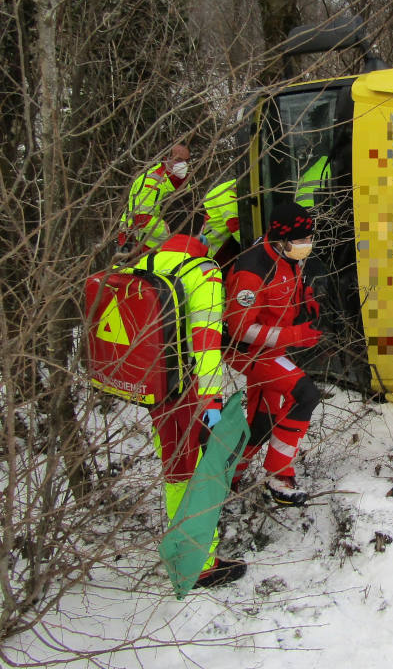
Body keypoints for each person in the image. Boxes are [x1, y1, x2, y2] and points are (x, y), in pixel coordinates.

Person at [137, 192, 245, 588]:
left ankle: (186, 549)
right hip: (187, 390)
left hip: (153, 385)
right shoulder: (203, 271)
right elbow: (205, 344)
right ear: (202, 223)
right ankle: (200, 563)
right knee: (200, 475)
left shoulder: (147, 262)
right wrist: (213, 404)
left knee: (176, 471)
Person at [222, 200, 323, 506]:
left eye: (309, 239)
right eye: (301, 240)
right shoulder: (252, 272)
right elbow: (241, 330)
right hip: (249, 352)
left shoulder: (288, 255)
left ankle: (229, 479)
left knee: (261, 422)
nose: (307, 245)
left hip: (271, 348)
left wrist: (308, 302)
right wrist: (295, 336)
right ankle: (279, 476)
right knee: (305, 394)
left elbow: (290, 290)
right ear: (280, 239)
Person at [118, 144, 191, 255]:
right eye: (179, 160)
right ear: (166, 159)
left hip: (167, 245)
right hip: (139, 244)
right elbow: (141, 219)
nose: (183, 165)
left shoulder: (184, 182)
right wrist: (175, 233)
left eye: (186, 161)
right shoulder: (151, 181)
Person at [202, 177, 241, 274]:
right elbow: (234, 225)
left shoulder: (232, 190)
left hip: (220, 250)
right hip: (209, 251)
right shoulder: (227, 194)